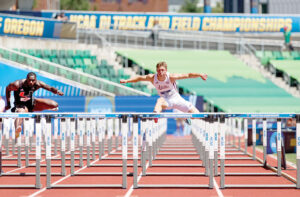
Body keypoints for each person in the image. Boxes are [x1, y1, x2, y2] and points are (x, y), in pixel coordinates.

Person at [120, 61, 207, 122]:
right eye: (158, 70)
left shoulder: (171, 77)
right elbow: (139, 78)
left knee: (197, 115)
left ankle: (184, 117)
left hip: (177, 99)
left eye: (162, 70)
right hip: (166, 101)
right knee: (159, 100)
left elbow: (188, 75)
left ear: (166, 70)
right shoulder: (152, 77)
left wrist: (200, 75)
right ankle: (155, 115)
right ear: (156, 70)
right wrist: (127, 81)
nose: (160, 72)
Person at [5, 72, 64, 139]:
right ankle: (17, 129)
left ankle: (49, 108)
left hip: (31, 102)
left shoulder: (38, 84)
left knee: (54, 105)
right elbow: (7, 89)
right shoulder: (17, 84)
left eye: (33, 80)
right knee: (21, 112)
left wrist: (57, 91)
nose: (31, 82)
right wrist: (8, 103)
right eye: (29, 80)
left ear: (35, 80)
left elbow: (49, 88)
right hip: (20, 105)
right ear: (26, 79)